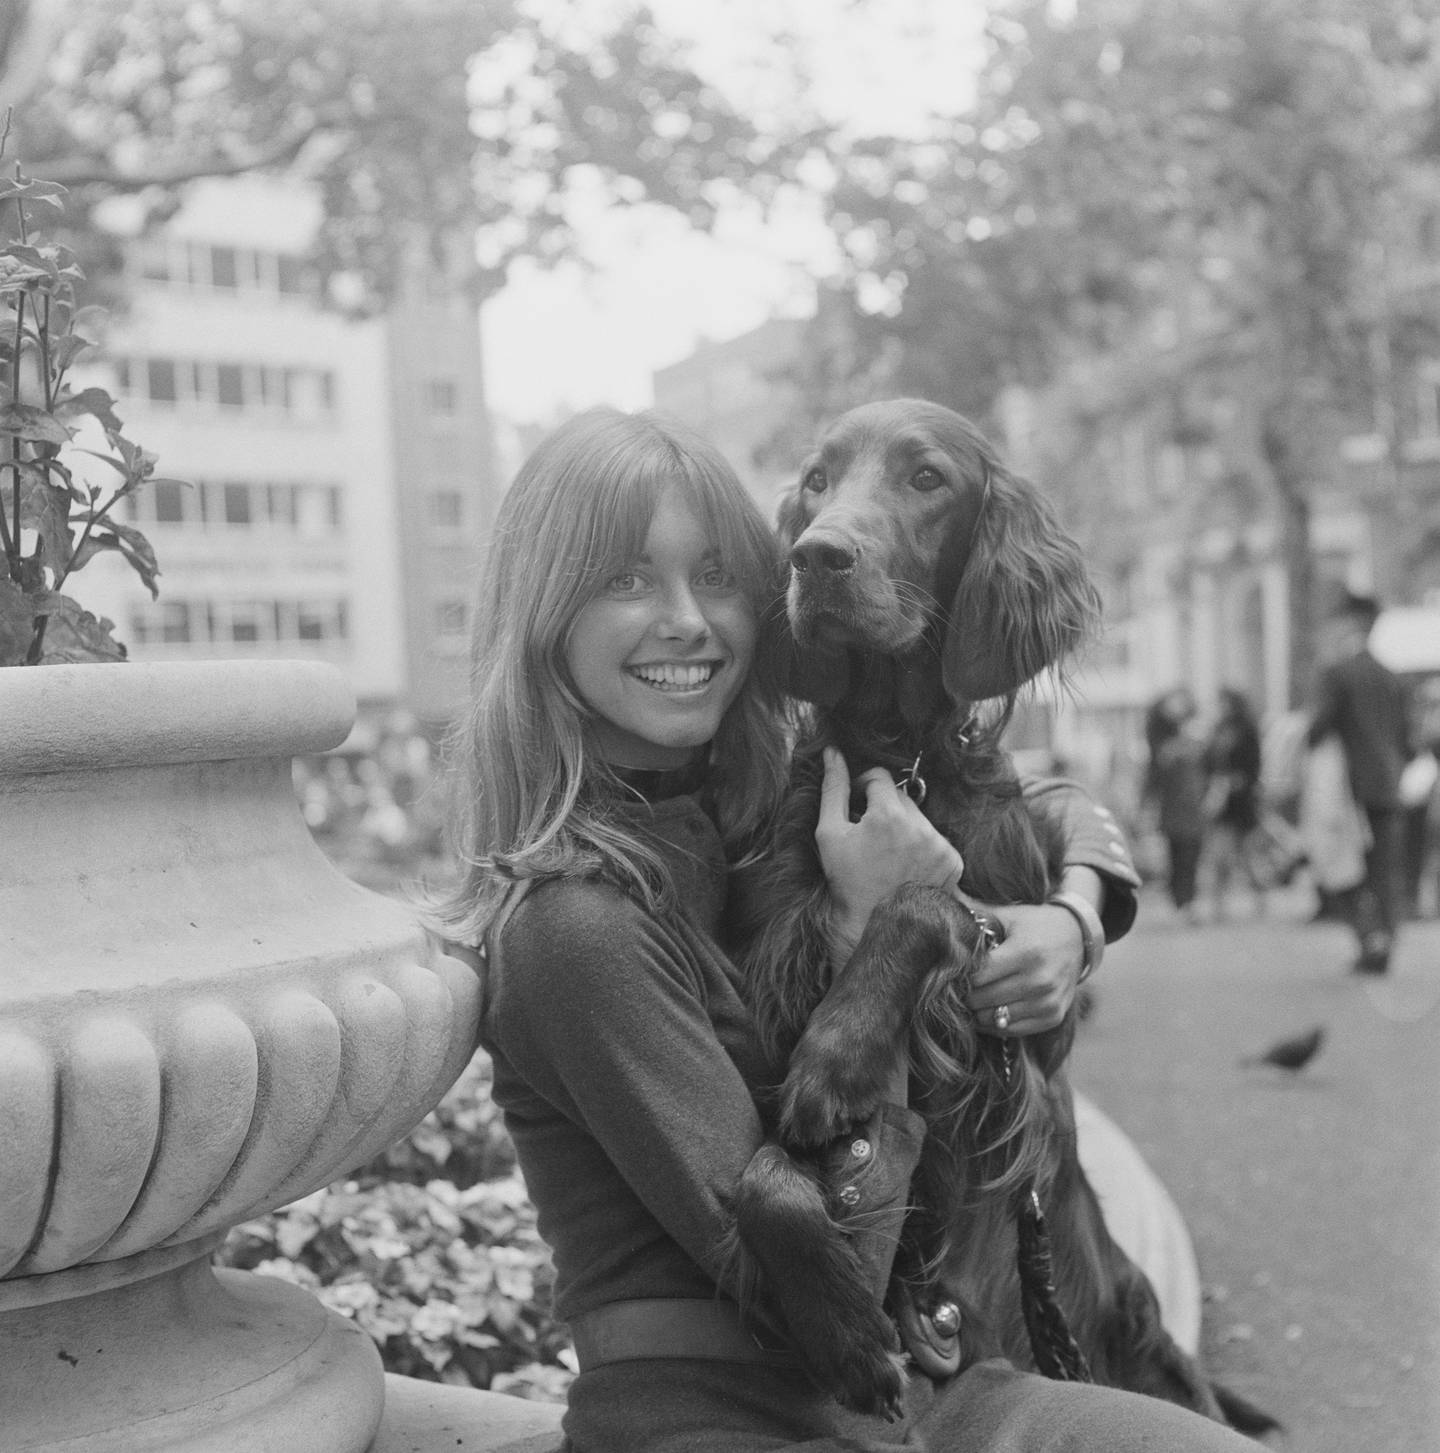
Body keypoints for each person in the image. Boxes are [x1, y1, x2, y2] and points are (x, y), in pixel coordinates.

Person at [428, 408, 1251, 1452]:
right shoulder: (576, 926)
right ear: (545, 615)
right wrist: (883, 934)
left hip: (928, 1383)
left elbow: (1020, 806)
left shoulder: (750, 801)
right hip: (748, 1413)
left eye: (719, 575)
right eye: (628, 580)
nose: (687, 618)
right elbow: (829, 1271)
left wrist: (1075, 914)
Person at [1306, 590, 1414, 974]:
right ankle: (1383, 939)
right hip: (1389, 788)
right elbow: (1409, 740)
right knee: (1385, 871)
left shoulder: (1338, 674)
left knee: (1342, 867)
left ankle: (1370, 938)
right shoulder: (1391, 677)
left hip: (1349, 793)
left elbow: (1318, 730)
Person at [1142, 687, 1208, 925]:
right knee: (1178, 857)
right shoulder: (1162, 741)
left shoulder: (1196, 737)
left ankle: (1186, 902)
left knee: (1190, 856)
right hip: (1175, 809)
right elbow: (1156, 775)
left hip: (1193, 808)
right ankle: (1182, 903)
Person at [1202, 687, 1267, 919]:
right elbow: (1207, 764)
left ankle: (1260, 898)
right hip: (1221, 804)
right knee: (1220, 856)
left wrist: (1236, 782)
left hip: (1242, 803)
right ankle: (1218, 906)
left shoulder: (1246, 730)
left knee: (1248, 856)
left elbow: (1254, 767)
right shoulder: (1217, 731)